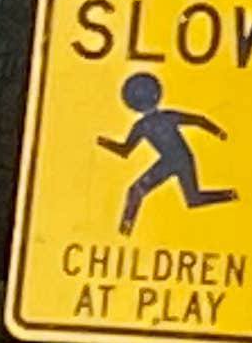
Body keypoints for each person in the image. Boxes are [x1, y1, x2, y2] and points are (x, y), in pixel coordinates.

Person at [99, 70, 237, 235]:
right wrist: (218, 133)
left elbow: (124, 151)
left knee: (189, 198)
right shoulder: (155, 121)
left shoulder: (147, 124)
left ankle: (231, 194)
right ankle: (125, 230)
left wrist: (104, 143)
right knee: (187, 198)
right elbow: (199, 120)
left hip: (179, 160)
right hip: (175, 160)